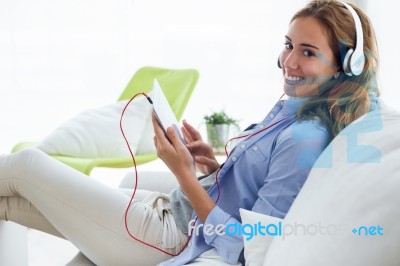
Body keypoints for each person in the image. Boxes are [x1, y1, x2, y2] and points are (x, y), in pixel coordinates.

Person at [0, 0, 380, 265]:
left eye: (308, 52)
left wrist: (183, 172)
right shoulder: (292, 105)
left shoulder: (307, 138)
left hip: (169, 237)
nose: (289, 61)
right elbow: (245, 194)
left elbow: (251, 247)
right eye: (288, 45)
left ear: (348, 64)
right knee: (9, 203)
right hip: (167, 210)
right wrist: (208, 166)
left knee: (26, 166)